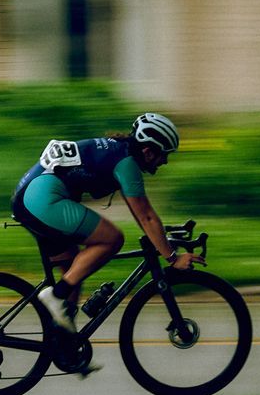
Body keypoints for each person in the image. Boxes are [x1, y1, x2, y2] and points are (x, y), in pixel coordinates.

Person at [11, 112, 194, 369]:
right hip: (42, 200)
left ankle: (66, 347)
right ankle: (56, 296)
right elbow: (146, 217)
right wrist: (173, 258)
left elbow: (145, 218)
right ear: (148, 150)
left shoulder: (119, 151)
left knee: (74, 269)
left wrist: (162, 240)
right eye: (164, 154)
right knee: (111, 239)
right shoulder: (127, 163)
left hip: (31, 198)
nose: (164, 161)